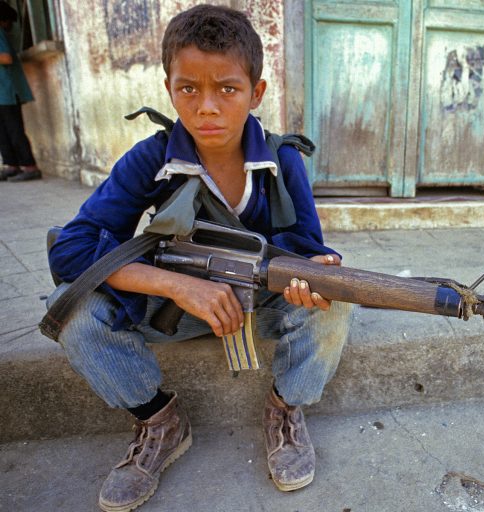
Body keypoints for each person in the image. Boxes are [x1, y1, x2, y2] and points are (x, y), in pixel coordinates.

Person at [46, 4, 351, 511]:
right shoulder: (152, 158)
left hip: (261, 305)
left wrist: (311, 276)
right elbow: (74, 247)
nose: (207, 107)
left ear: (256, 93)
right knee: (73, 311)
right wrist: (177, 286)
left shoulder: (282, 159)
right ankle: (160, 419)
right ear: (169, 88)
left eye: (227, 89)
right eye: (189, 88)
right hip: (177, 308)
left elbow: (306, 245)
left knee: (337, 303)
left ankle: (286, 408)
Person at [0, 1, 41, 181]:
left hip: (7, 92)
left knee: (14, 130)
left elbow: (7, 58)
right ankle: (12, 165)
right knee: (3, 132)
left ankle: (29, 166)